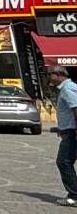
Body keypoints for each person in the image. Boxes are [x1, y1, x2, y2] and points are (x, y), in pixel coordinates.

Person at [50, 65, 77, 206]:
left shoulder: (67, 88)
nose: (49, 77)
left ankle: (74, 196)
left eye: (50, 74)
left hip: (72, 133)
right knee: (66, 161)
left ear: (59, 74)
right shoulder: (68, 87)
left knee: (63, 162)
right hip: (69, 130)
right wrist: (60, 127)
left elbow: (76, 109)